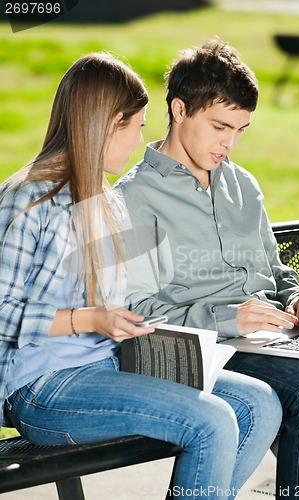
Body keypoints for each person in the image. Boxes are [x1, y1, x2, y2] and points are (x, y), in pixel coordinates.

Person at [0, 52, 282, 499]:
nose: (138, 142)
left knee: (259, 403)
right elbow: (3, 313)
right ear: (108, 124)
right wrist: (89, 319)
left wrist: (137, 329)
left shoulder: (108, 202)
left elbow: (125, 304)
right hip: (44, 388)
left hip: (111, 364)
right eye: (136, 127)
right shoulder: (27, 200)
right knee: (212, 420)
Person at [116, 39, 299, 500]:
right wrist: (230, 316)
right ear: (179, 109)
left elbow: (276, 272)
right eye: (220, 126)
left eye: (241, 129)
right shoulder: (134, 198)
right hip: (211, 352)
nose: (230, 142)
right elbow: (135, 312)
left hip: (280, 340)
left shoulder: (243, 184)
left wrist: (298, 301)